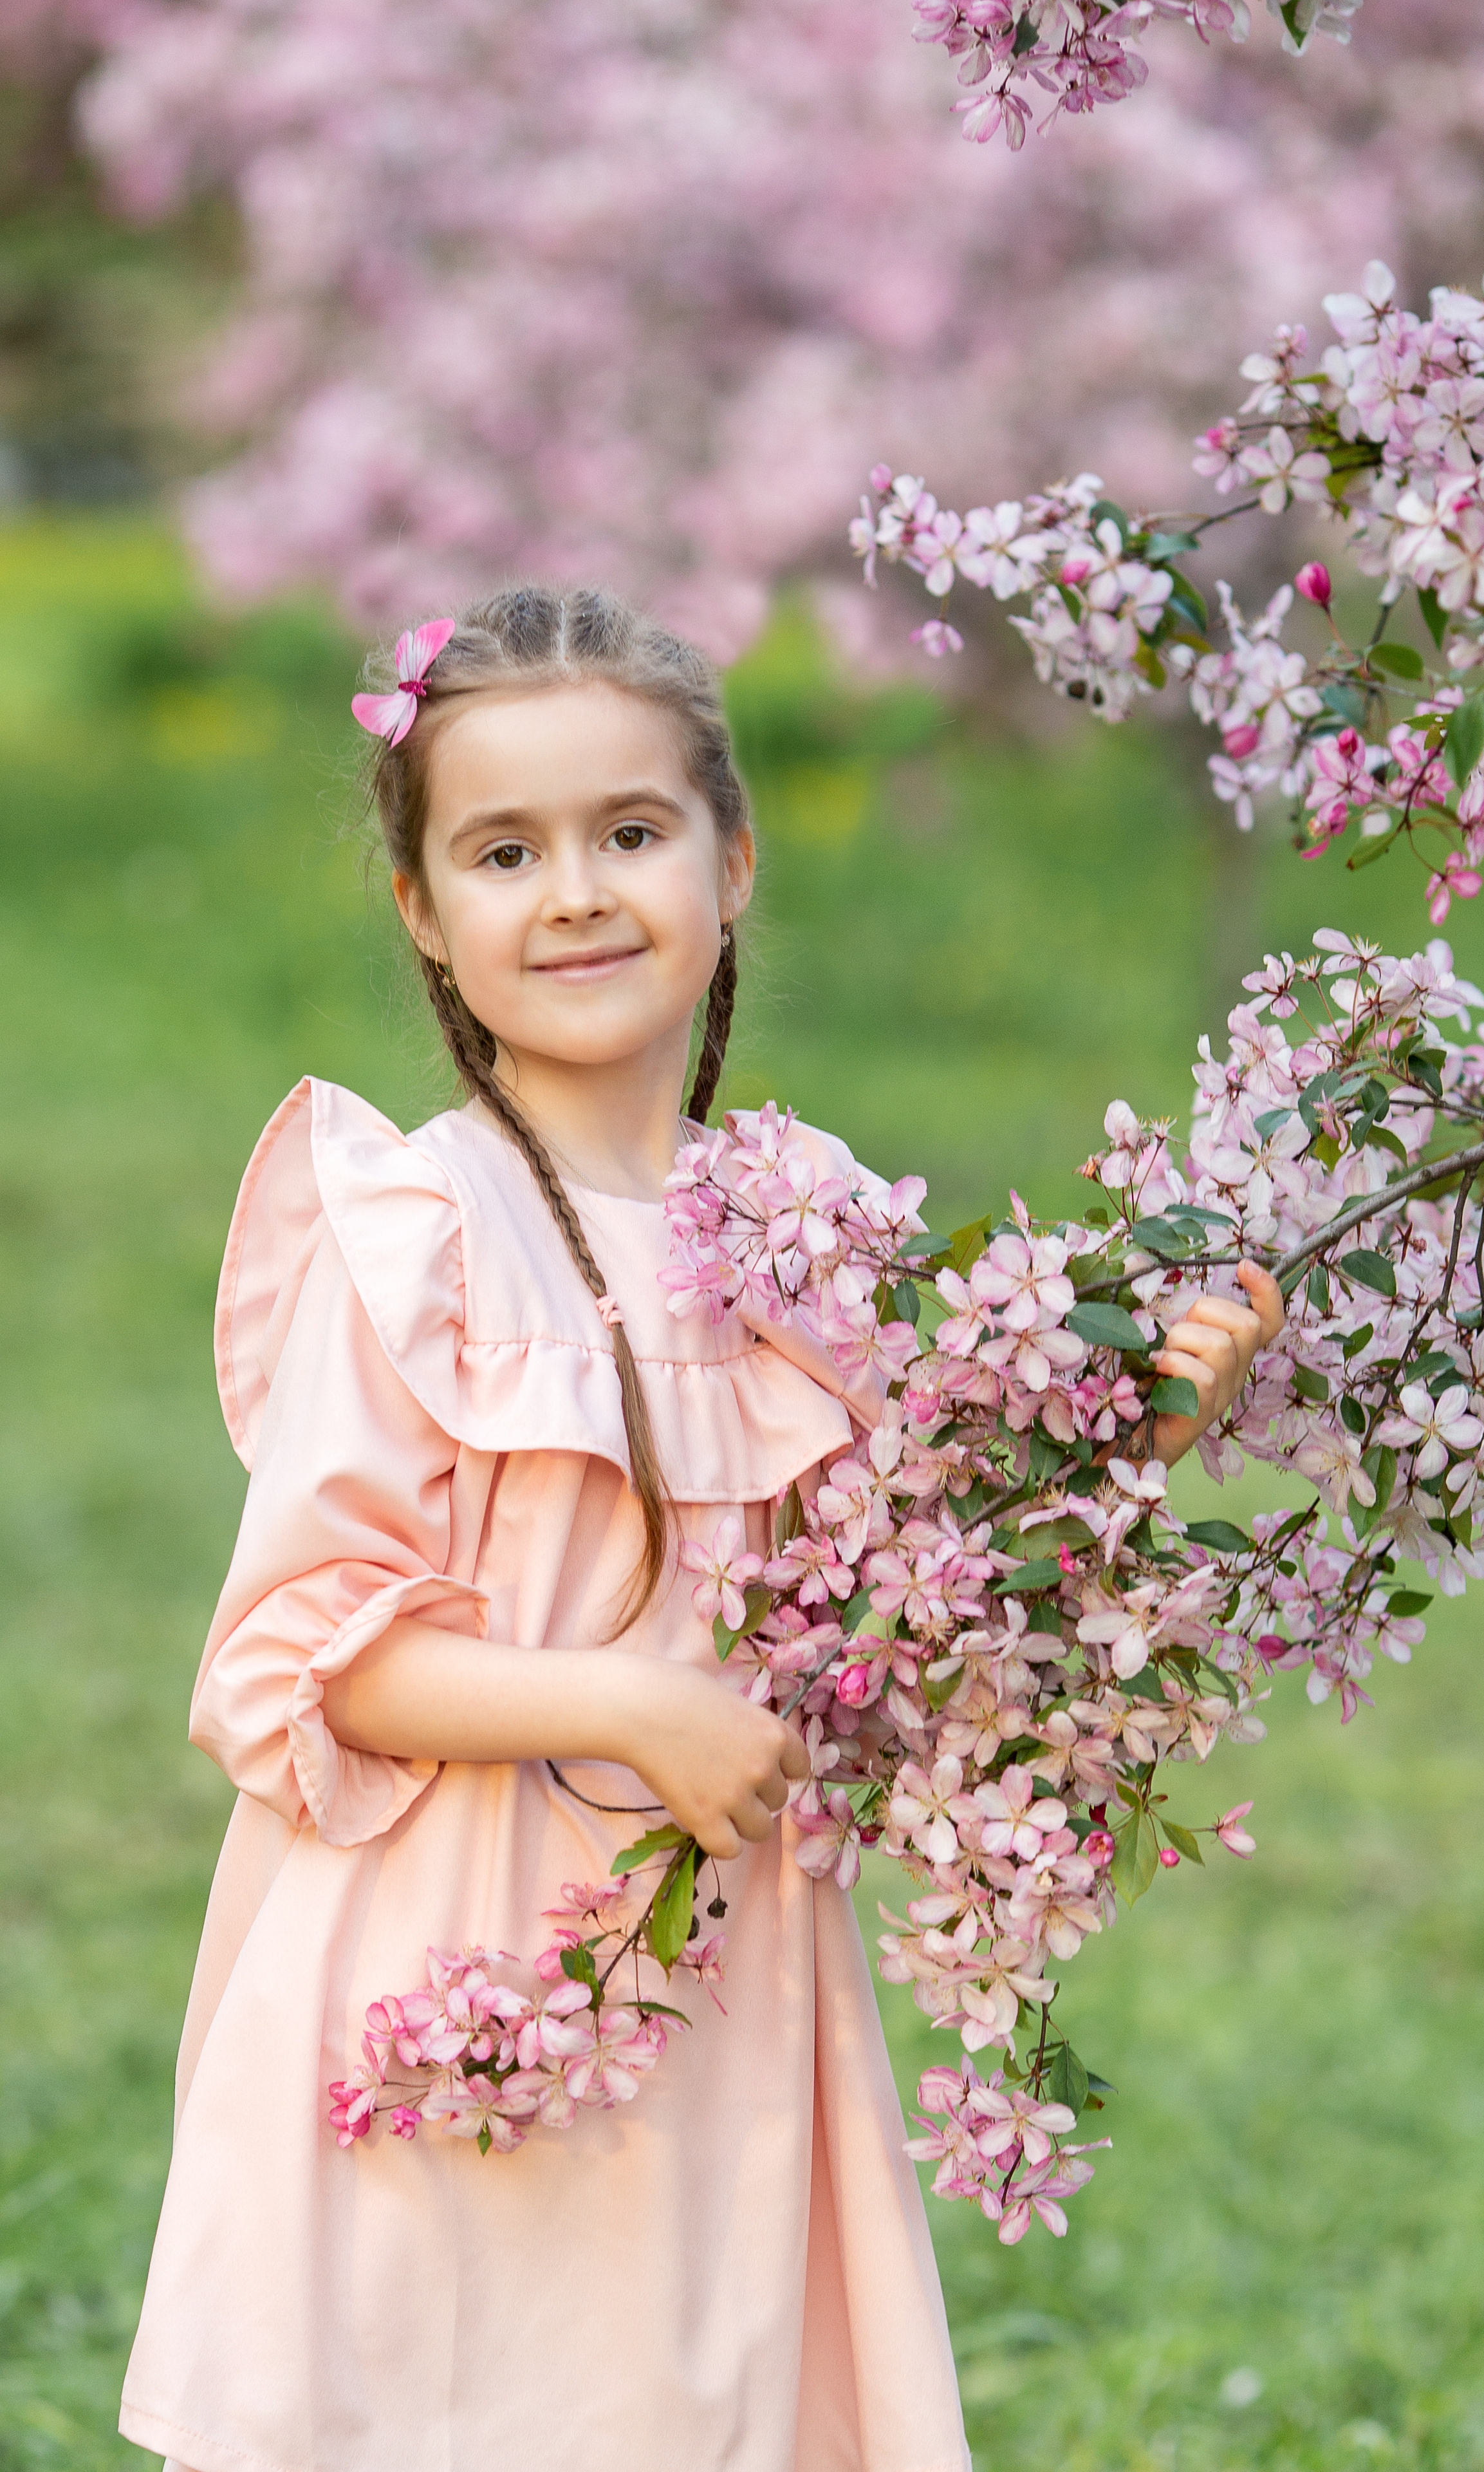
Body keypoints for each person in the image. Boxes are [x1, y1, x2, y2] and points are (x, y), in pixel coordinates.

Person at [119, 585, 1283, 2472]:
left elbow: (930, 1570)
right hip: (446, 1971)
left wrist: (1150, 1419)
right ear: (423, 908)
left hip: (707, 1978)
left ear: (731, 865)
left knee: (679, 2415)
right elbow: (305, 1655)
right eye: (506, 851)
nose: (577, 893)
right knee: (436, 2407)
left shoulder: (807, 1225)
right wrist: (628, 1703)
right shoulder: (420, 1234)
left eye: (632, 831)